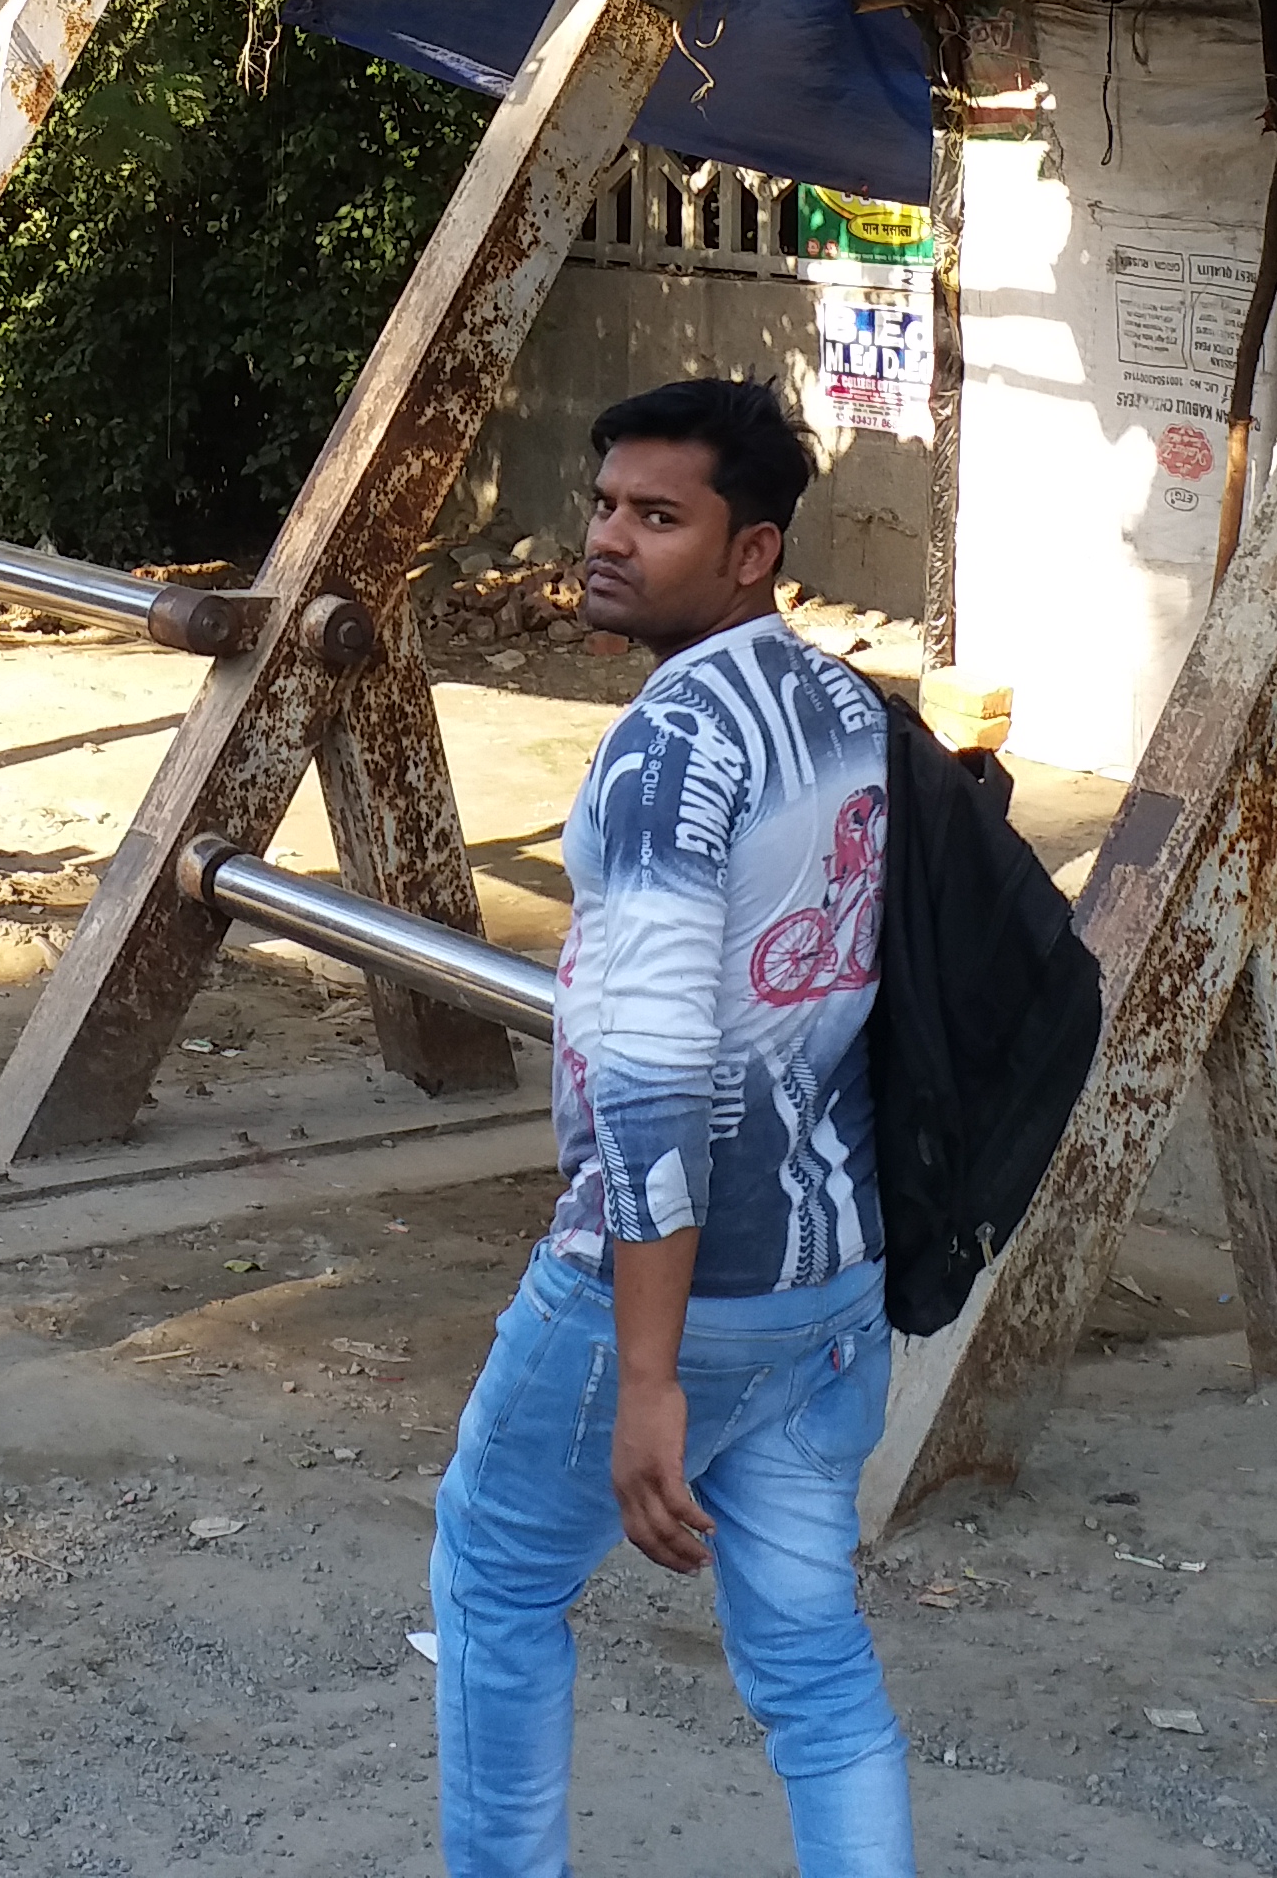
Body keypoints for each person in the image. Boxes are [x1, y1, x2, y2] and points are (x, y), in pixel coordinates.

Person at [428, 377, 906, 1878]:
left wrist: (645, 1377)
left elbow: (646, 1083)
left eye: (659, 516)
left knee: (499, 1587)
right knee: (816, 1673)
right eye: (606, 506)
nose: (608, 542)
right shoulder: (845, 707)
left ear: (752, 549)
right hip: (837, 1280)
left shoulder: (665, 753)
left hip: (679, 1293)